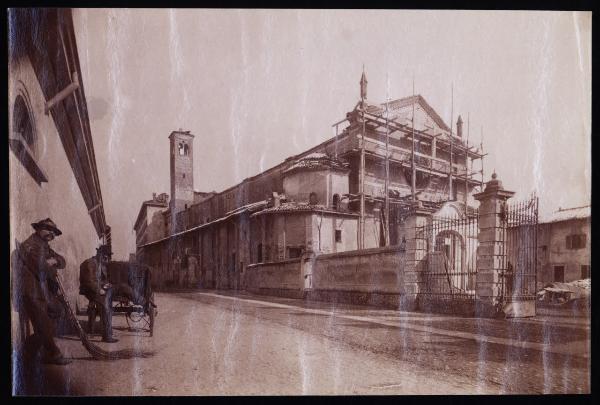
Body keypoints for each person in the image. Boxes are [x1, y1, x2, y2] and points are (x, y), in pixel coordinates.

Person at [13, 218, 71, 365]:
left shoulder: (44, 246)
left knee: (59, 311)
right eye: (47, 229)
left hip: (43, 291)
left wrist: (53, 261)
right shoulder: (30, 245)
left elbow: (62, 261)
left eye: (54, 232)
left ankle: (26, 351)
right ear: (38, 229)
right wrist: (50, 264)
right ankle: (54, 354)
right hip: (31, 291)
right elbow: (40, 269)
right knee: (44, 325)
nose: (51, 233)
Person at [79, 245, 118, 343]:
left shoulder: (101, 264)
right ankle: (106, 336)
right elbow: (88, 282)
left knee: (108, 300)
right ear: (99, 254)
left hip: (96, 288)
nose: (106, 259)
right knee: (104, 306)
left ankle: (102, 330)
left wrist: (106, 284)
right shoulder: (89, 263)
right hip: (89, 290)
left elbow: (101, 280)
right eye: (105, 257)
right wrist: (99, 289)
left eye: (108, 257)